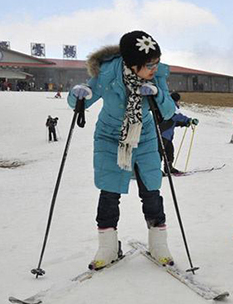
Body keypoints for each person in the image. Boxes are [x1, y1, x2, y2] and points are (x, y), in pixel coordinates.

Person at [67, 30, 176, 270]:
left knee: (151, 190)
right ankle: (107, 247)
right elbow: (83, 99)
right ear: (131, 64)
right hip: (109, 138)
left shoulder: (156, 77)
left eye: (156, 62)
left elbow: (168, 112)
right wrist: (79, 96)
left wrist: (157, 95)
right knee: (109, 193)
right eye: (149, 64)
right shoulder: (107, 73)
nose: (154, 68)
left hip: (145, 137)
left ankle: (158, 244)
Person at [159, 92, 198, 174]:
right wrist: (189, 120)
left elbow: (173, 121)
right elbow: (178, 117)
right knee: (160, 152)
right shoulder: (172, 108)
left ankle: (168, 167)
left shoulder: (166, 105)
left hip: (166, 135)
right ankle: (155, 170)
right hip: (163, 134)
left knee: (169, 151)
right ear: (176, 100)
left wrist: (184, 124)